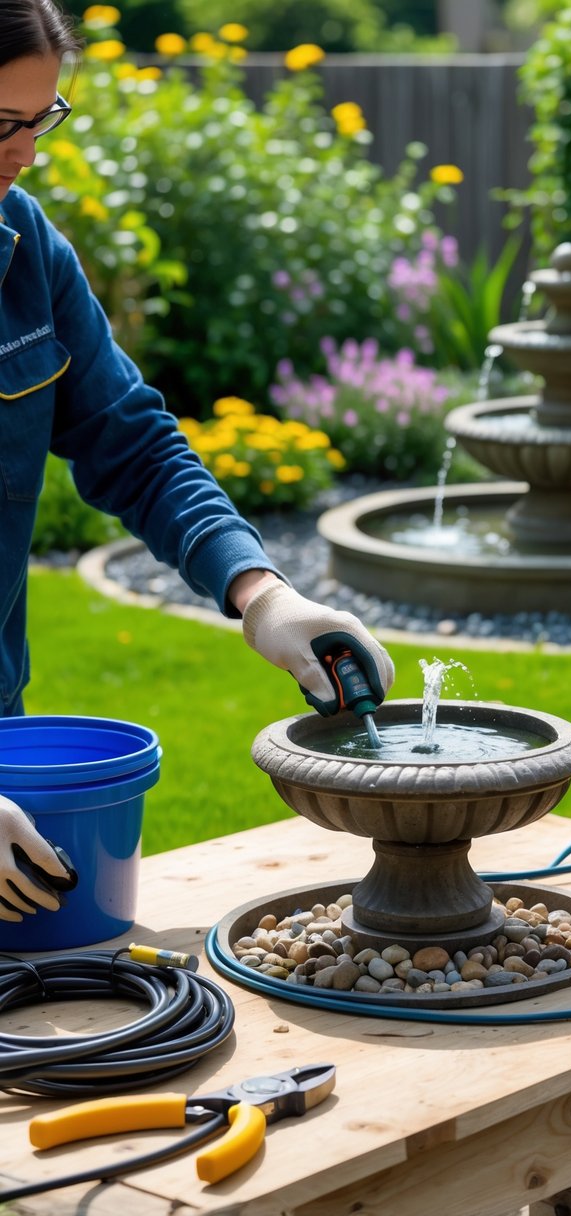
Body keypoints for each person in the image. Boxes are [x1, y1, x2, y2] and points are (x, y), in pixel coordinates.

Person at [0, 0, 394, 921]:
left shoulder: (26, 251)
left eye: (40, 120)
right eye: (0, 125)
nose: (24, 154)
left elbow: (130, 440)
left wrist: (261, 593)